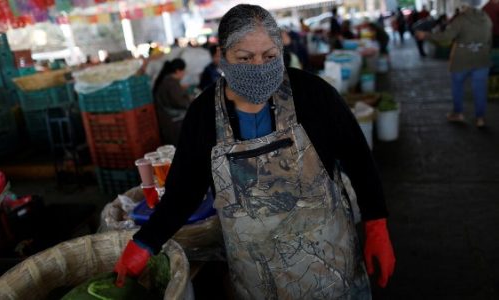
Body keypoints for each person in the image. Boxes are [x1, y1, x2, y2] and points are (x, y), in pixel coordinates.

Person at [115, 4, 395, 298]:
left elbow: (359, 160)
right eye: (245, 58)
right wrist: (146, 241)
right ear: (223, 56)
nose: (260, 68)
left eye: (270, 56)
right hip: (257, 280)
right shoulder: (203, 115)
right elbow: (184, 191)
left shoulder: (314, 94)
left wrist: (377, 226)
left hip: (331, 271)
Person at [416, 0, 492, 128]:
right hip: (482, 58)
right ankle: (480, 118)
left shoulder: (461, 19)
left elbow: (446, 36)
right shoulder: (487, 19)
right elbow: (489, 40)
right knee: (480, 89)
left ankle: (458, 113)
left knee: (458, 86)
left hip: (461, 58)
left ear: (466, 5)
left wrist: (426, 35)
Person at [152, 58, 191, 144]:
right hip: (173, 122)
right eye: (184, 71)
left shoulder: (167, 80)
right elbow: (180, 102)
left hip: (168, 120)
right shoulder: (171, 83)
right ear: (178, 71)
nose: (184, 73)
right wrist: (190, 99)